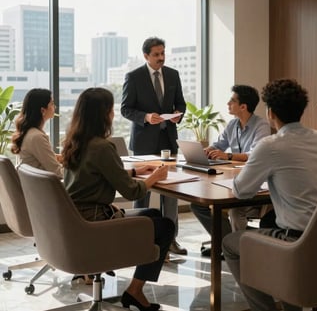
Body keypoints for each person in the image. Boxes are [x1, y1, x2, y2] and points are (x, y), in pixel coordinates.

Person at [222, 79, 317, 311]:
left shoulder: (270, 145)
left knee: (230, 243)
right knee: (267, 223)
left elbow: (241, 191)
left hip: (294, 240)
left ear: (270, 112)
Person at [61, 87, 174, 311]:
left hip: (76, 221)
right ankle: (135, 291)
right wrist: (154, 176)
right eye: (111, 109)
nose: (113, 113)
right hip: (95, 224)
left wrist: (135, 171)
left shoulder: (75, 142)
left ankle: (134, 290)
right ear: (103, 114)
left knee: (152, 215)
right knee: (166, 226)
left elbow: (98, 174)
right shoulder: (103, 146)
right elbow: (132, 192)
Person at [121, 36, 187, 255]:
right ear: (146, 56)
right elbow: (126, 109)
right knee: (143, 192)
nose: (161, 58)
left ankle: (171, 240)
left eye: (163, 53)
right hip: (144, 144)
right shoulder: (134, 77)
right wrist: (146, 117)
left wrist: (179, 115)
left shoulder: (173, 75)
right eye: (156, 54)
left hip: (168, 140)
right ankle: (141, 239)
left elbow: (181, 103)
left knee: (171, 193)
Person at [190, 85, 270, 256]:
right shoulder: (233, 124)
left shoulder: (261, 125)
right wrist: (208, 150)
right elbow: (219, 145)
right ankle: (226, 244)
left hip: (253, 184)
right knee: (198, 204)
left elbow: (254, 155)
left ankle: (237, 252)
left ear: (243, 106)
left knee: (234, 209)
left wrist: (227, 156)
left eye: (232, 100)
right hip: (230, 179)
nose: (228, 103)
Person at [11, 88, 63, 179]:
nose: (55, 107)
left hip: (32, 189)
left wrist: (58, 158)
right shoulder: (37, 137)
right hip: (43, 190)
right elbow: (57, 172)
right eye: (52, 103)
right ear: (43, 110)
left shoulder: (28, 132)